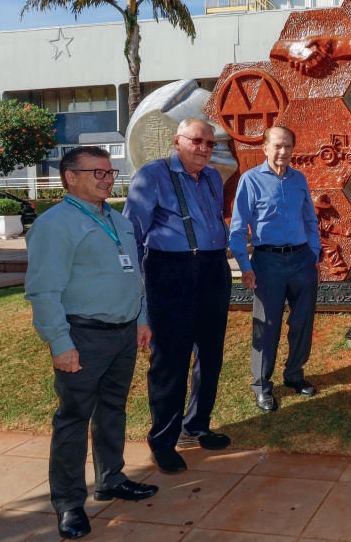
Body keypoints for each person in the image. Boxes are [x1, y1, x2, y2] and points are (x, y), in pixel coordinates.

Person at [25, 147, 158, 539]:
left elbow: (135, 275)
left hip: (123, 334)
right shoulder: (55, 225)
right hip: (80, 336)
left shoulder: (118, 221)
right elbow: (44, 291)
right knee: (73, 419)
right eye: (97, 172)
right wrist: (59, 343)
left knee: (112, 410)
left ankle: (111, 479)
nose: (106, 178)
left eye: (110, 172)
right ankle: (68, 503)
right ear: (70, 176)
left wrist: (141, 319)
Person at [124, 118, 232, 475]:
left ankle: (197, 425)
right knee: (170, 360)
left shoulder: (214, 177)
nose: (204, 148)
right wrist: (138, 287)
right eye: (198, 141)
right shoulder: (152, 176)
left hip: (213, 269)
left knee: (211, 355)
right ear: (177, 141)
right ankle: (163, 441)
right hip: (170, 272)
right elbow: (132, 234)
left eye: (210, 143)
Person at [229, 126, 322, 413]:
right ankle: (261, 385)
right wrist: (245, 267)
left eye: (288, 146)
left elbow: (310, 219)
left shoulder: (298, 180)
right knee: (266, 326)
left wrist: (314, 253)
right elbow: (236, 230)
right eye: (278, 146)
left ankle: (295, 375)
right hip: (267, 263)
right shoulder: (250, 180)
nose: (283, 152)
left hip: (301, 261)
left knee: (302, 323)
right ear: (266, 148)